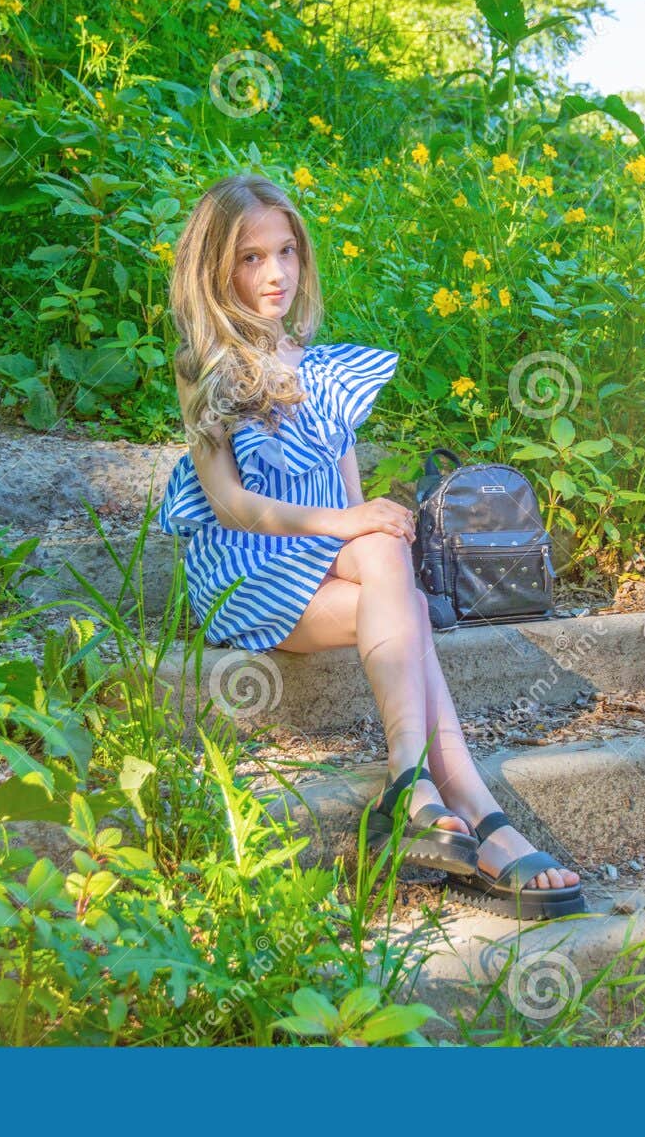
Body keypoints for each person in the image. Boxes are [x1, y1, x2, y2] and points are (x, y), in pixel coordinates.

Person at [153, 173, 583, 920]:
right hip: (252, 576)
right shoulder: (208, 367)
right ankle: (463, 802)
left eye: (286, 251)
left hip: (326, 564)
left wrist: (366, 524)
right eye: (252, 258)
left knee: (397, 576)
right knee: (393, 579)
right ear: (214, 267)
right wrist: (347, 528)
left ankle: (420, 792)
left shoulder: (318, 362)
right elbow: (233, 503)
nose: (276, 273)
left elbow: (351, 497)